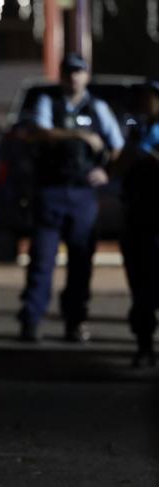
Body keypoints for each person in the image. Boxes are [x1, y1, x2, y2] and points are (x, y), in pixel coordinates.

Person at [17, 53, 125, 342]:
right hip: (50, 191)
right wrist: (79, 136)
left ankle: (75, 321)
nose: (74, 77)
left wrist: (106, 173)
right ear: (62, 75)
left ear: (86, 75)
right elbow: (39, 133)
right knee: (41, 260)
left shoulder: (98, 108)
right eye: (69, 72)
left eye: (79, 72)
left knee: (81, 261)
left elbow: (117, 148)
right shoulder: (47, 103)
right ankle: (31, 320)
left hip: (82, 194)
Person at [119, 79, 159, 367]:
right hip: (138, 218)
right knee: (141, 286)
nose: (144, 102)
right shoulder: (136, 130)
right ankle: (144, 344)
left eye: (149, 97)